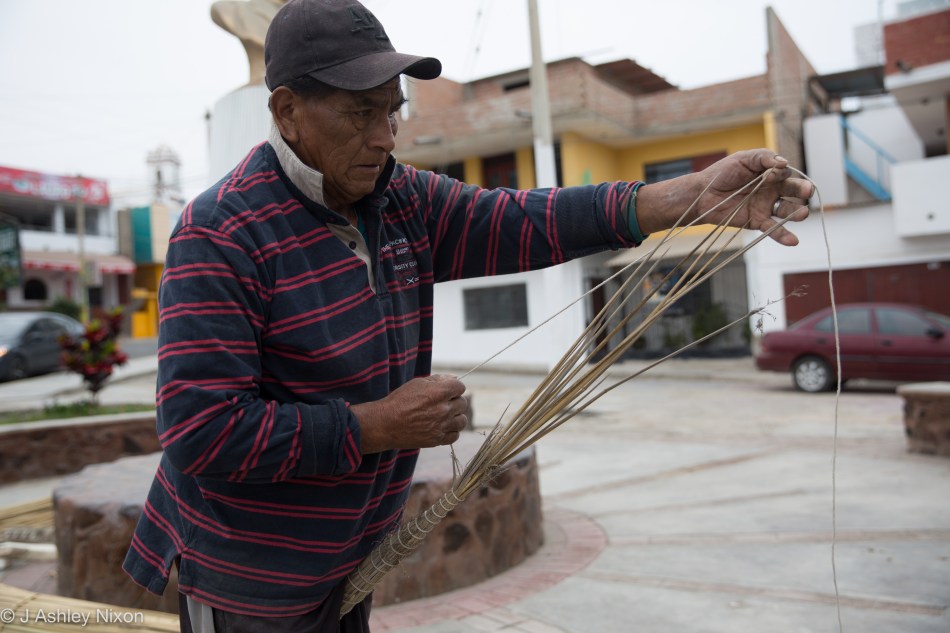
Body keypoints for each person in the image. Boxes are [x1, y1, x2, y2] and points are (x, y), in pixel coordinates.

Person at [123, 0, 814, 630]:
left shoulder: (401, 200)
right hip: (253, 586)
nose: (385, 137)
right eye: (360, 113)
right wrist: (376, 425)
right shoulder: (220, 231)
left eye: (392, 111)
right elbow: (201, 432)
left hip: (348, 567)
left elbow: (523, 219)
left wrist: (686, 197)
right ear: (287, 111)